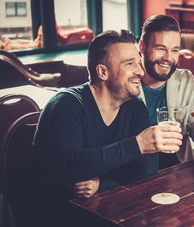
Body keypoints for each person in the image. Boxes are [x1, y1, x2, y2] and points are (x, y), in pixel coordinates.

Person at [28, 29, 183, 227]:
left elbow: (147, 168)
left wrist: (103, 183)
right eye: (130, 64)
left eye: (138, 61)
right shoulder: (66, 104)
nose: (140, 71)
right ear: (103, 72)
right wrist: (138, 144)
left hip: (107, 211)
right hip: (55, 215)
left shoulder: (134, 107)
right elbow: (73, 165)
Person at [138, 15, 194, 169]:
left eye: (175, 50)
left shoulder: (185, 80)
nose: (168, 58)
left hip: (179, 170)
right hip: (136, 175)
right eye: (161, 48)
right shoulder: (126, 82)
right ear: (142, 47)